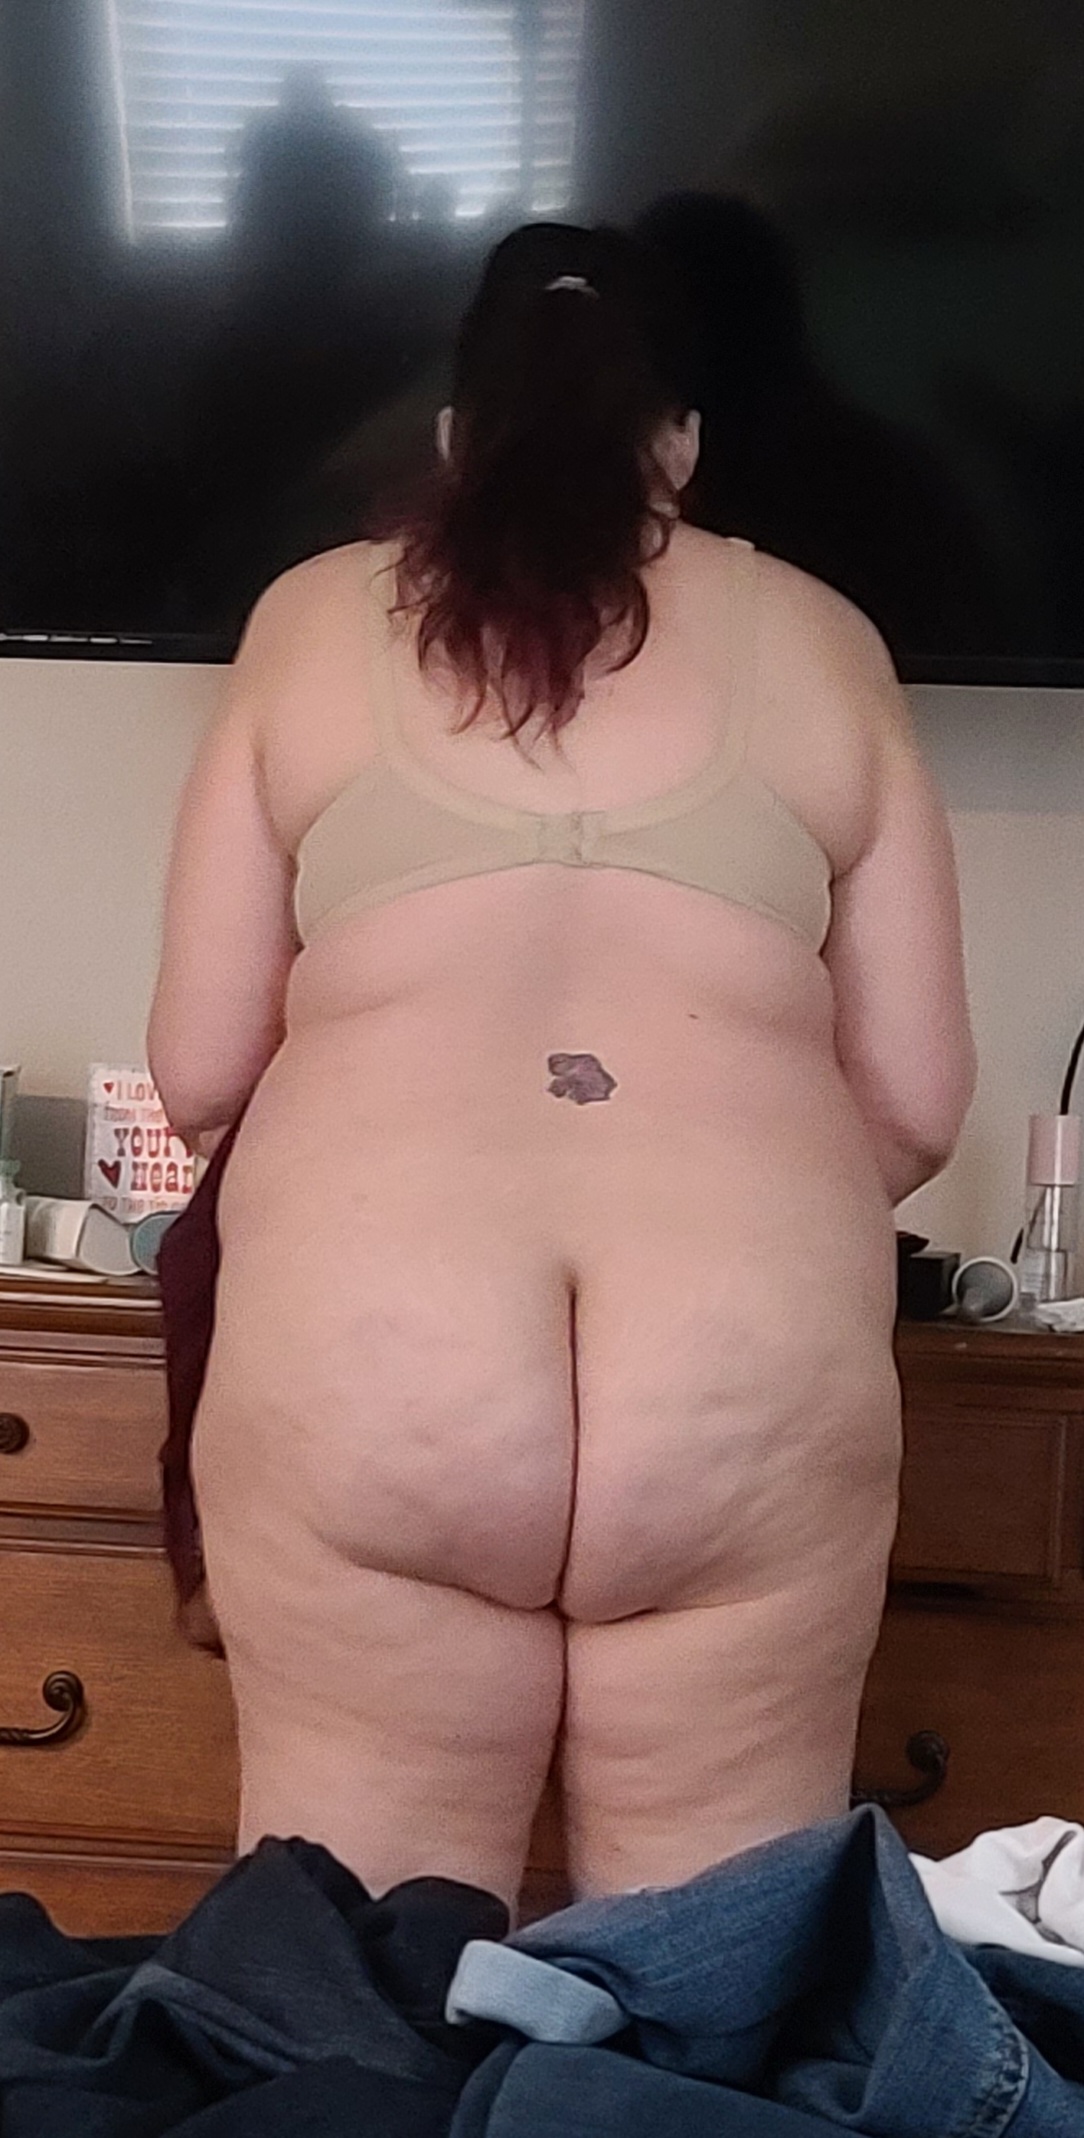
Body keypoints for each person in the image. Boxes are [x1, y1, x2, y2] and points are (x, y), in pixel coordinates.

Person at [148, 221, 976, 1913]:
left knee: (356, 1986)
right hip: (737, 1380)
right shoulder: (828, 639)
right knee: (704, 1999)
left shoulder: (307, 619)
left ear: (458, 432)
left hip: (378, 1360)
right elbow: (914, 1097)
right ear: (682, 441)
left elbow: (205, 1066)